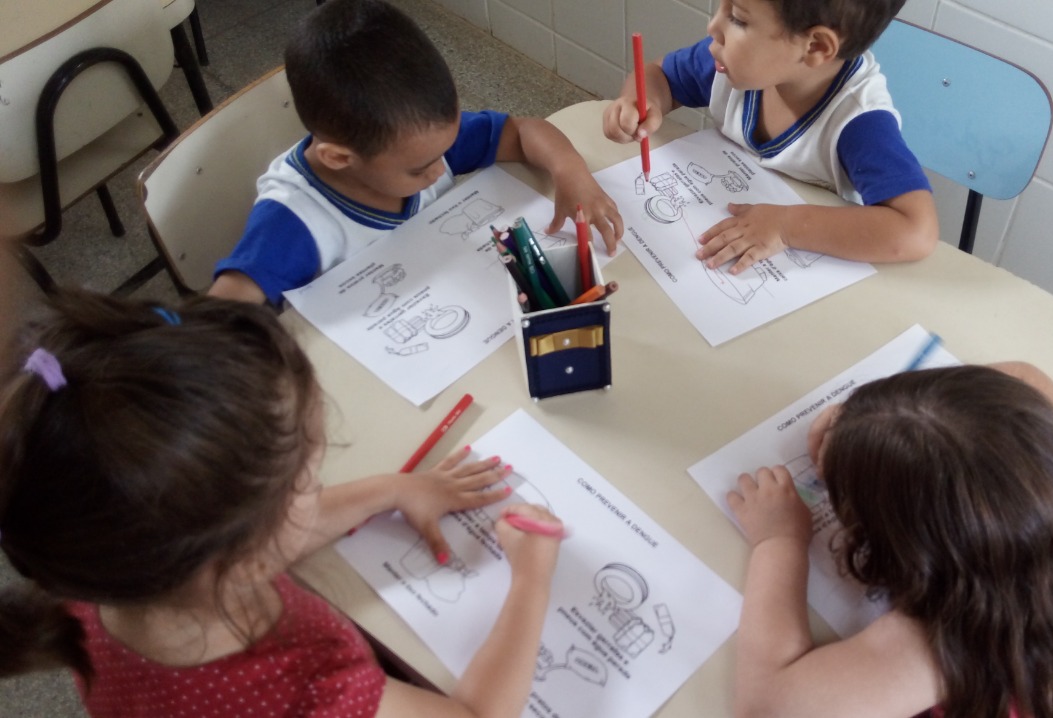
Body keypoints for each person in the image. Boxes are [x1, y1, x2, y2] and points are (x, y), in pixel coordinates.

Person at [0, 290, 564, 718]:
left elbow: (245, 531)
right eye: (309, 481)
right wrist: (531, 577)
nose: (317, 491)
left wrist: (394, 489)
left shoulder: (91, 559)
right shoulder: (315, 681)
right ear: (246, 555)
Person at [727, 363, 1053, 718]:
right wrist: (873, 424)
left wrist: (779, 540)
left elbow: (765, 705)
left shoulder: (949, 646)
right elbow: (1024, 376)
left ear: (917, 556)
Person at [210, 0, 623, 306]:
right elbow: (226, 306)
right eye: (421, 169)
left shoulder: (417, 138)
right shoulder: (293, 221)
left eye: (446, 148)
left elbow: (524, 131)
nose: (441, 168)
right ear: (338, 158)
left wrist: (570, 171)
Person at [603, 0, 938, 275]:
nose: (713, 27)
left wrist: (786, 226)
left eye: (737, 18)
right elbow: (658, 74)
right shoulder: (730, 62)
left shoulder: (859, 122)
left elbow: (916, 231)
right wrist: (639, 101)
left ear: (815, 46)